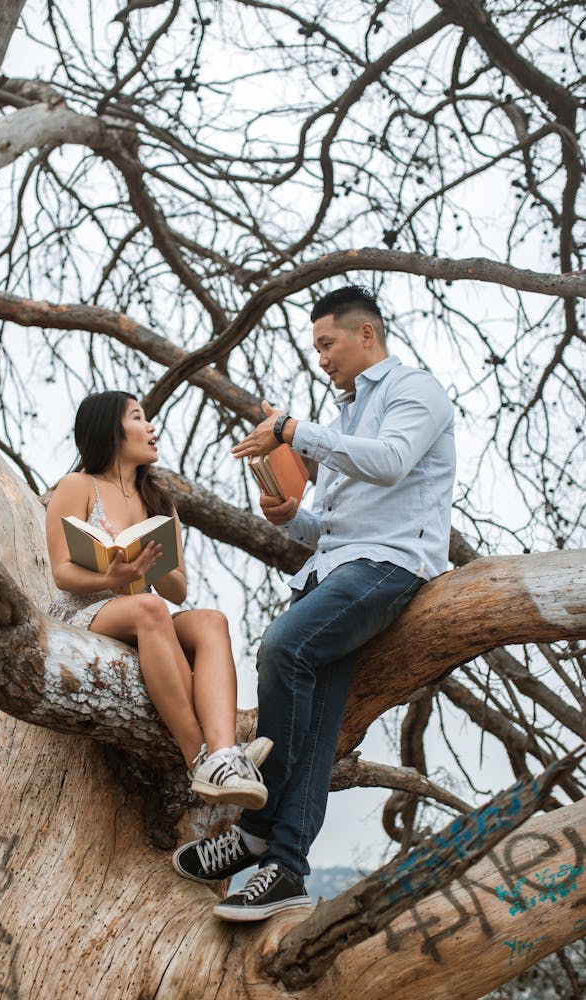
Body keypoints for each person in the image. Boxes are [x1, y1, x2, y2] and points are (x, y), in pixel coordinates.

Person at [172, 285, 456, 921]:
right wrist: (287, 515)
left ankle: (254, 831)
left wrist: (296, 430)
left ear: (366, 335)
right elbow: (326, 527)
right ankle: (286, 867)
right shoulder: (346, 415)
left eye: (327, 344)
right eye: (316, 348)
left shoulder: (416, 390)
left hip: (390, 565)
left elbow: (390, 463)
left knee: (283, 645)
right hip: (334, 570)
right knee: (319, 718)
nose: (321, 358)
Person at [46, 390, 272, 808]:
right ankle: (199, 760)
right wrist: (109, 574)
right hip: (85, 613)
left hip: (142, 613)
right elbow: (61, 571)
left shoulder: (160, 501)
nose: (151, 427)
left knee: (211, 620)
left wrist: (151, 560)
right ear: (110, 431)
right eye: (138, 417)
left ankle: (223, 751)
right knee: (150, 608)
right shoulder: (77, 486)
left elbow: (178, 590)